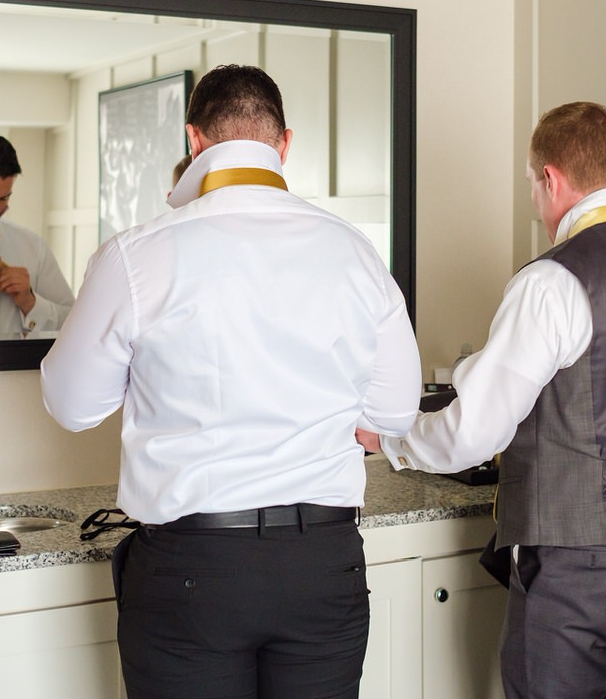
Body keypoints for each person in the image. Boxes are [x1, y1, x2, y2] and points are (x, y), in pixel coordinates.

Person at [40, 64, 422, 699]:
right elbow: (394, 412)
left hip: (194, 568)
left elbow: (74, 405)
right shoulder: (354, 250)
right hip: (322, 564)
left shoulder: (137, 255)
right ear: (285, 144)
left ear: (194, 140)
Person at [358, 101, 606, 698]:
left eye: (533, 183)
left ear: (550, 178)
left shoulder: (553, 280)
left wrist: (390, 438)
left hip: (584, 563)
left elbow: (473, 433)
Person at [0, 134, 74, 339]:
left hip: (11, 369)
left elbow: (72, 320)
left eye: (4, 198)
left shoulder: (32, 247)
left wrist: (30, 302)